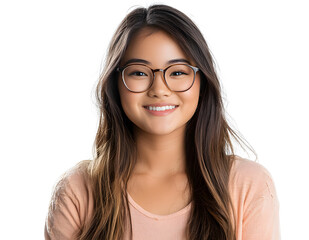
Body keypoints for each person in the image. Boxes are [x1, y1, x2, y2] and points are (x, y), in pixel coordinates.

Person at [44, 4, 280, 240]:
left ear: (202, 82)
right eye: (139, 72)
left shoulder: (248, 186)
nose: (159, 89)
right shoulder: (78, 190)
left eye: (177, 72)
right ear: (116, 83)